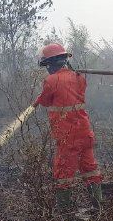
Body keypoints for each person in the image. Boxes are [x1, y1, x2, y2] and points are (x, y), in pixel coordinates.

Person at [32, 43, 103, 212]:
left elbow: (47, 100)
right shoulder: (79, 77)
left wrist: (38, 100)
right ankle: (99, 207)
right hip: (85, 132)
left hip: (67, 135)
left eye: (47, 65)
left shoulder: (51, 80)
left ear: (51, 63)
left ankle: (65, 213)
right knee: (90, 169)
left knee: (63, 173)